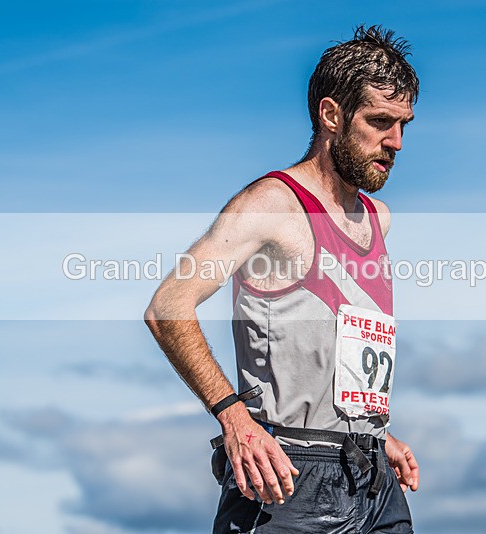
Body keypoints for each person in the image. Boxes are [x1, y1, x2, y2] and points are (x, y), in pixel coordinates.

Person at [145, 24, 420, 533]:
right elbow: (168, 306)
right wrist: (233, 416)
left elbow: (337, 347)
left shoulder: (377, 219)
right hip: (286, 476)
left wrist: (373, 434)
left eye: (404, 124)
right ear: (331, 115)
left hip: (372, 480)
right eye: (380, 121)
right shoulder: (272, 205)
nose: (396, 142)